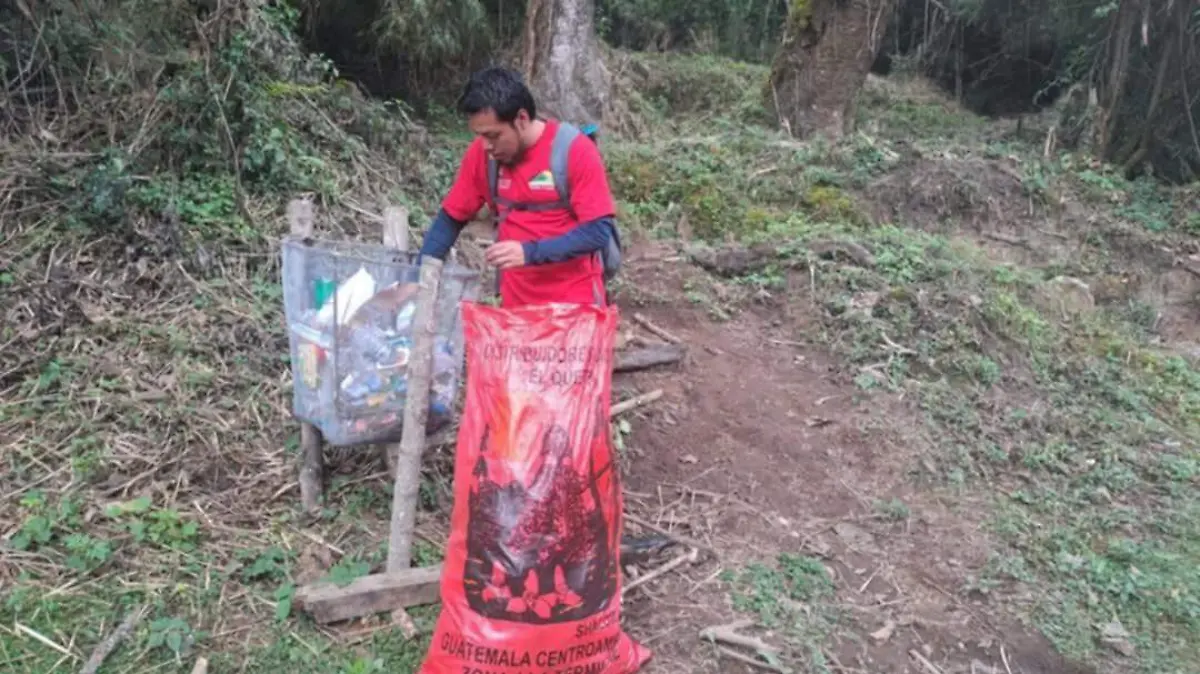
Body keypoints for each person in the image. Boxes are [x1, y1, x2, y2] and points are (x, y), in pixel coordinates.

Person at [416, 67, 617, 307]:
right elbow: (450, 219)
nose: (486, 146)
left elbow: (597, 232)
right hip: (515, 309)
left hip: (574, 310)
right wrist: (416, 277)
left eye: (494, 135)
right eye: (480, 136)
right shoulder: (482, 157)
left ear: (521, 119)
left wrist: (529, 252)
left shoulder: (574, 150)